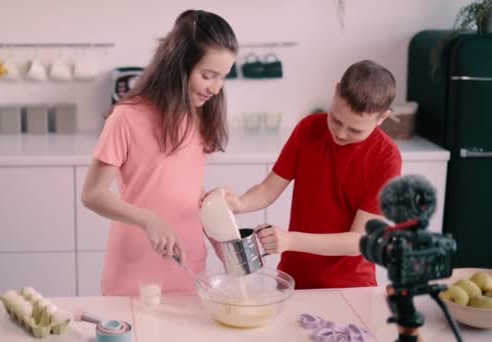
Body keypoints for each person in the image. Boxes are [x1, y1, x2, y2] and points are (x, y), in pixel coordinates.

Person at [81, 9, 238, 296]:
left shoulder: (201, 116)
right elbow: (92, 194)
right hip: (133, 270)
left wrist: (217, 218)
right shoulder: (126, 118)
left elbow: (185, 189)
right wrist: (148, 219)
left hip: (189, 266)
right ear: (179, 65)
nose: (216, 88)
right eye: (208, 75)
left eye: (223, 77)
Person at [223, 60, 402, 289]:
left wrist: (290, 240)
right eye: (336, 119)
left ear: (382, 118)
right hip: (295, 279)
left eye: (356, 130)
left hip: (351, 286)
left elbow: (359, 239)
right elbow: (268, 189)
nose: (341, 133)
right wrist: (239, 203)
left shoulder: (386, 158)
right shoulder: (308, 129)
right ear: (336, 91)